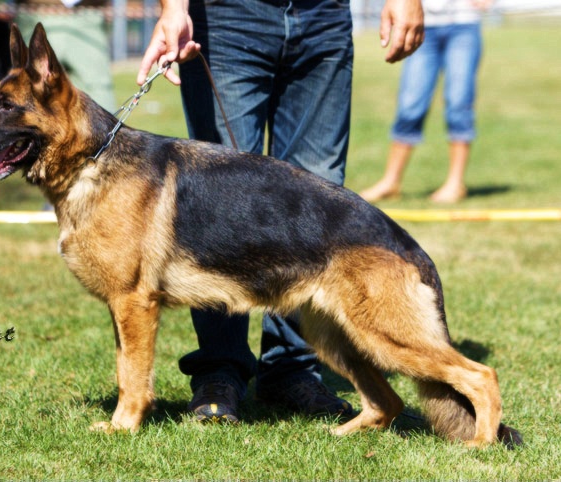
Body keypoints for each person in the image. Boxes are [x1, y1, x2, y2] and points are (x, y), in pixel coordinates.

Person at [137, 0, 424, 423]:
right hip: (227, 18)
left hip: (324, 16)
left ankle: (292, 369)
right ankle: (220, 371)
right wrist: (173, 8)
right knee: (221, 206)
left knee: (318, 196)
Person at [360, 0, 491, 204]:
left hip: (464, 24)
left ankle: (456, 183)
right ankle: (391, 182)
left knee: (459, 102)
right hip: (422, 24)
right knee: (410, 105)